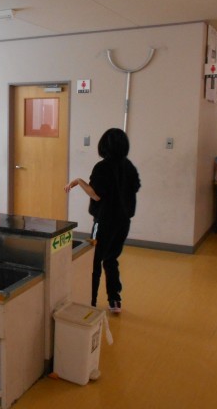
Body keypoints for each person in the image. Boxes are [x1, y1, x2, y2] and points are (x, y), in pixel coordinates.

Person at [65, 128, 141, 314]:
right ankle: (115, 300)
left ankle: (90, 302)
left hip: (105, 221)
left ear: (104, 146)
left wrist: (79, 181)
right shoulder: (129, 166)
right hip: (124, 222)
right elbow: (134, 187)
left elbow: (96, 195)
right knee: (111, 259)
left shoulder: (102, 167)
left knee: (94, 261)